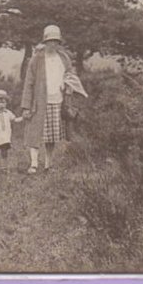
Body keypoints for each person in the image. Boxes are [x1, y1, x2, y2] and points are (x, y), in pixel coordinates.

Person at [20, 25, 88, 174]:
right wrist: (26, 106)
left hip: (57, 101)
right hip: (38, 102)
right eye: (50, 41)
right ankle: (33, 163)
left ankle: (48, 164)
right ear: (45, 41)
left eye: (56, 41)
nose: (53, 44)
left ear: (59, 42)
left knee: (51, 136)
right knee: (35, 132)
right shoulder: (36, 59)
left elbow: (70, 74)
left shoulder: (63, 57)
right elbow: (29, 83)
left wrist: (69, 86)